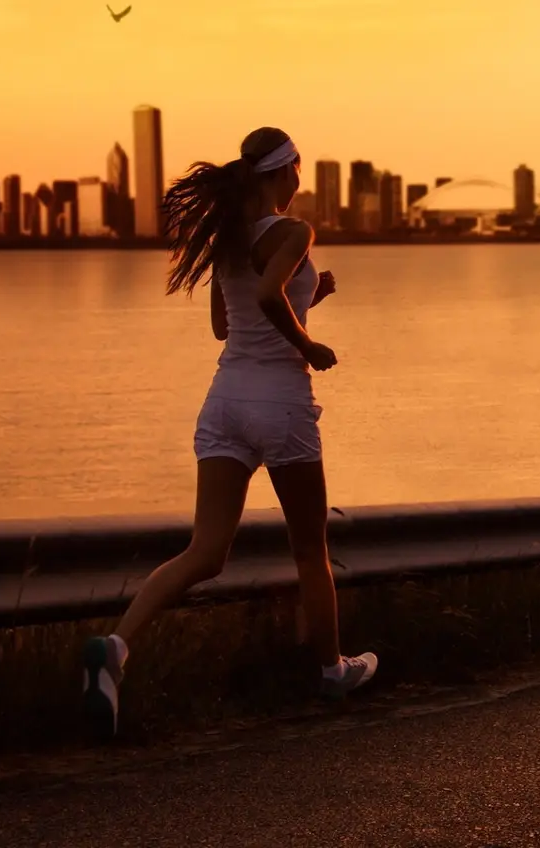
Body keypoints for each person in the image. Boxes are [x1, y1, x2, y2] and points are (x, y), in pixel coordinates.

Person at [82, 127, 376, 739]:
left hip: (224, 404)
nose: (301, 181)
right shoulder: (293, 233)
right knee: (308, 550)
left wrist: (309, 298)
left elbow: (228, 324)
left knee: (205, 552)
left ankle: (116, 646)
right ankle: (331, 670)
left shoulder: (228, 239)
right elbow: (269, 297)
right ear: (284, 170)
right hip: (281, 404)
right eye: (299, 169)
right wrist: (309, 343)